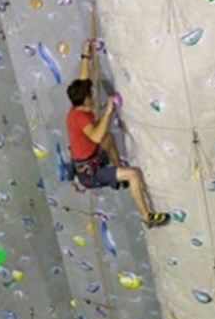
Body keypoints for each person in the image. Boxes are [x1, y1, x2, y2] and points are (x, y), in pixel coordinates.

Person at [65, 51, 169, 226]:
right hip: (90, 173)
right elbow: (96, 137)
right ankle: (147, 217)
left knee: (109, 138)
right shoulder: (80, 117)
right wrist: (108, 112)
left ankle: (118, 169)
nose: (93, 96)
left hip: (91, 158)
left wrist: (85, 54)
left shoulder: (77, 105)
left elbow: (82, 79)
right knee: (133, 174)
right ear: (86, 100)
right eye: (90, 95)